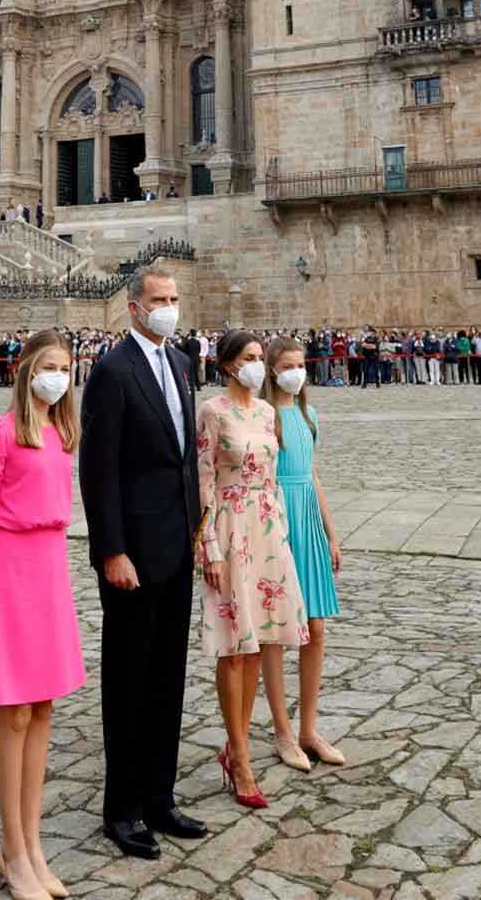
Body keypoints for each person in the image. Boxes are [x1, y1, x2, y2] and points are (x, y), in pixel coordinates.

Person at [79, 268, 206, 860]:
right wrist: (111, 549)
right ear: (133, 308)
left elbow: (186, 463)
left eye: (175, 300)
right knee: (128, 680)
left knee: (169, 677)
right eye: (159, 301)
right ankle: (123, 808)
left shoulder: (182, 364)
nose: (169, 309)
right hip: (132, 554)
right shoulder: (111, 372)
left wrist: (199, 530)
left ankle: (160, 794)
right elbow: (97, 472)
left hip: (177, 544)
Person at [0, 329, 85, 900]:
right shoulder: (1, 433)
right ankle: (11, 849)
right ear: (28, 369)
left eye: (66, 367)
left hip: (50, 568)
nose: (58, 376)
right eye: (50, 366)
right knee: (13, 713)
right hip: (10, 570)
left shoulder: (64, 432)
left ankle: (33, 844)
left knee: (43, 708)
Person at [197, 331, 308, 809]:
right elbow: (202, 481)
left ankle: (237, 744)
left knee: (260, 640)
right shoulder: (212, 412)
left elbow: (272, 475)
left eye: (260, 358)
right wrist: (209, 547)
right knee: (233, 647)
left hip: (267, 527)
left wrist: (283, 531)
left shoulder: (268, 413)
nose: (257, 366)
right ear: (226, 365)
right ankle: (240, 757)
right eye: (248, 358)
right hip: (229, 527)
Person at [261, 338, 343, 773]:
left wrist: (331, 534)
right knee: (276, 632)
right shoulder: (264, 418)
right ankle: (282, 731)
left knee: (315, 626)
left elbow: (312, 475)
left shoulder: (309, 417)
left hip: (307, 520)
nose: (296, 371)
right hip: (276, 522)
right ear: (272, 370)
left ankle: (309, 728)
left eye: (301, 364)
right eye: (288, 364)